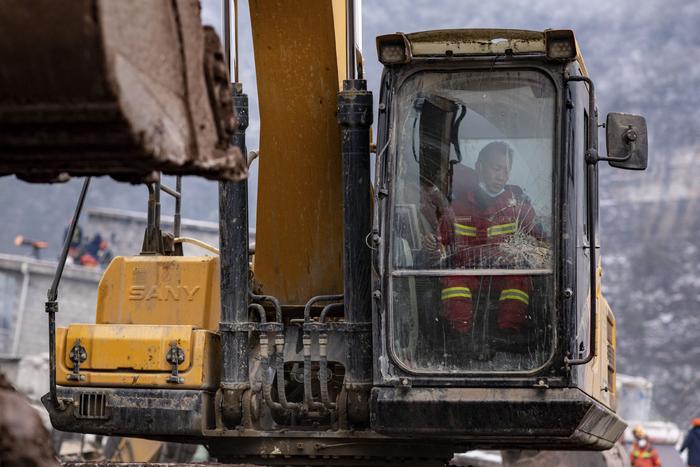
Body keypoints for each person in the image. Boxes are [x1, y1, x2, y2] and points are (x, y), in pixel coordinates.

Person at [439, 141, 543, 335]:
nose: (501, 176)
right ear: (479, 167)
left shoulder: (518, 207)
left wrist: (534, 250)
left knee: (519, 280)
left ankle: (508, 333)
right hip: (468, 272)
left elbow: (540, 237)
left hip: (503, 272)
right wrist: (434, 245)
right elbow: (442, 241)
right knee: (453, 281)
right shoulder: (458, 206)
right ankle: (459, 336)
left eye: (505, 171)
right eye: (496, 169)